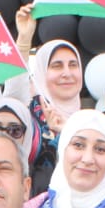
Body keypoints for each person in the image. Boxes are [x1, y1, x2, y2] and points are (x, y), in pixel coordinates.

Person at [19, 37, 84, 193]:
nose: (67, 73)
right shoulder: (26, 119)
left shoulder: (89, 118)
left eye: (73, 65)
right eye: (57, 66)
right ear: (42, 71)